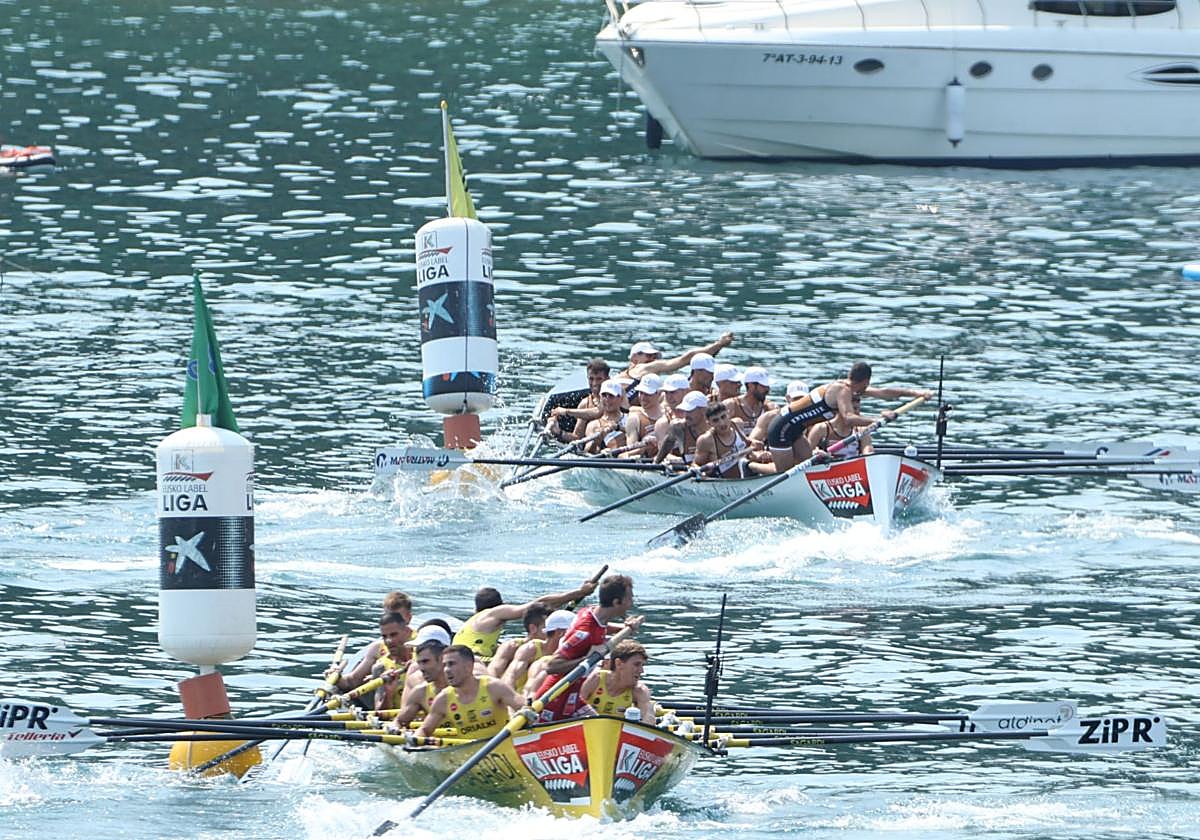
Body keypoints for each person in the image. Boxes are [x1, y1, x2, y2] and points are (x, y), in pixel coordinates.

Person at [765, 362, 931, 471]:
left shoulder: (851, 387)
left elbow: (885, 392)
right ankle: (752, 467)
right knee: (785, 474)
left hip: (796, 430)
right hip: (781, 428)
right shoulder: (842, 390)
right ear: (865, 381)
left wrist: (917, 393)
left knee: (809, 468)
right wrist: (877, 419)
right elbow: (848, 418)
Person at [534, 574, 643, 722]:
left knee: (600, 726)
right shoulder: (585, 632)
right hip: (554, 699)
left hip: (574, 699)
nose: (631, 603)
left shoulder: (591, 612)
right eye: (629, 599)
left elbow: (602, 627)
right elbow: (551, 666)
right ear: (616, 602)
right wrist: (587, 659)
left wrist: (623, 627)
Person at [452, 578, 598, 664]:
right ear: (501, 604)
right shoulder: (494, 612)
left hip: (463, 659)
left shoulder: (474, 625)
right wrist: (580, 592)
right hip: (474, 661)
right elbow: (538, 604)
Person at [417, 645, 527, 739]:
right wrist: (415, 739)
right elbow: (424, 730)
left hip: (503, 745)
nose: (446, 670)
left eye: (451, 664)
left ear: (469, 666)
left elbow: (524, 706)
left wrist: (527, 713)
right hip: (467, 754)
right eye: (444, 665)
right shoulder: (443, 699)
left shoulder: (493, 687)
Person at [333, 605, 412, 695]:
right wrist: (337, 678)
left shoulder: (422, 654)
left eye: (394, 635)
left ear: (407, 632)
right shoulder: (381, 665)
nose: (388, 641)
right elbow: (352, 682)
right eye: (384, 636)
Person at [383, 623, 452, 722]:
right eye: (417, 649)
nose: (418, 652)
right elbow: (402, 720)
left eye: (423, 647)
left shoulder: (468, 671)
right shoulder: (414, 676)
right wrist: (388, 694)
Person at [578, 639, 655, 722]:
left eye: (642, 665)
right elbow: (574, 709)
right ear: (618, 663)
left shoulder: (639, 691)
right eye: (637, 664)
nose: (641, 671)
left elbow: (649, 722)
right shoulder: (597, 679)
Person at [618, 333, 735, 385]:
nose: (652, 359)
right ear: (634, 357)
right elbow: (686, 358)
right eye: (648, 355)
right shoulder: (645, 367)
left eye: (655, 357)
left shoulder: (620, 375)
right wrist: (719, 344)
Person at [502, 608, 574, 693]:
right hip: (520, 696)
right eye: (574, 632)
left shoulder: (571, 655)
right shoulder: (530, 649)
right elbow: (511, 676)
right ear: (560, 633)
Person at [693, 401, 763, 478]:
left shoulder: (737, 423)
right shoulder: (706, 440)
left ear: (728, 414)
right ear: (709, 423)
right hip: (724, 483)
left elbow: (747, 443)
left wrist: (755, 446)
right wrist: (700, 472)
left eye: (723, 417)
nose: (722, 423)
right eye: (715, 420)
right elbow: (695, 465)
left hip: (748, 475)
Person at [547, 358, 611, 441]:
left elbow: (598, 412)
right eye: (591, 379)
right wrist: (558, 432)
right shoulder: (585, 404)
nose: (595, 383)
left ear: (607, 379)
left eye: (599, 379)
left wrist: (566, 411)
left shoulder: (615, 397)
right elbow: (577, 437)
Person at [582, 379, 641, 455]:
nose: (607, 399)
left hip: (630, 458)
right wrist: (596, 441)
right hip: (607, 461)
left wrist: (618, 428)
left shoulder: (632, 418)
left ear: (620, 398)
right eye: (604, 395)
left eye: (611, 396)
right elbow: (587, 452)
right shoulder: (593, 425)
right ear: (600, 397)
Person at [654, 390, 710, 465]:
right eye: (685, 411)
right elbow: (666, 447)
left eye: (690, 411)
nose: (686, 415)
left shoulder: (716, 429)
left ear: (703, 410)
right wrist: (655, 463)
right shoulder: (678, 427)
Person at [725, 366, 777, 437]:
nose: (767, 390)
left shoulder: (770, 408)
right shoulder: (731, 405)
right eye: (763, 386)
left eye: (768, 386)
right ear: (751, 385)